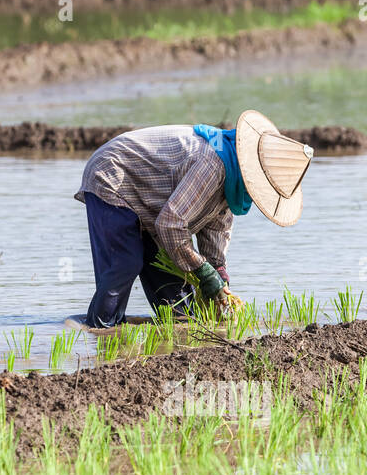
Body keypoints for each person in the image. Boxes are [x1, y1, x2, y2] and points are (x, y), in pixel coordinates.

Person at [74, 110, 314, 327]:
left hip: (154, 206)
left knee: (180, 309)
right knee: (125, 264)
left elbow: (215, 233)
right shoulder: (214, 165)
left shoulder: (232, 184)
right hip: (113, 176)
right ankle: (99, 331)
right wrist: (203, 272)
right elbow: (171, 224)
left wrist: (218, 274)